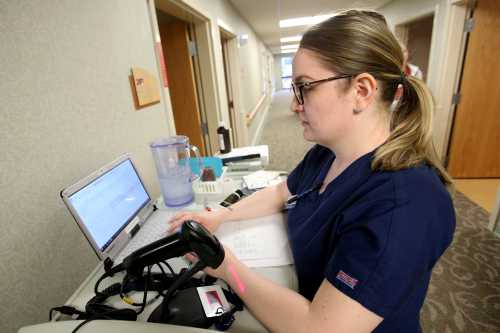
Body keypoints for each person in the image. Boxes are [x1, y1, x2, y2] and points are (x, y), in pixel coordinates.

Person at [168, 9, 455, 333]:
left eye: (306, 87)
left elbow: (318, 328)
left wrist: (225, 266)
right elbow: (282, 191)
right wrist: (222, 214)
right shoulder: (328, 153)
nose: (294, 105)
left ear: (361, 91)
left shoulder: (404, 205)